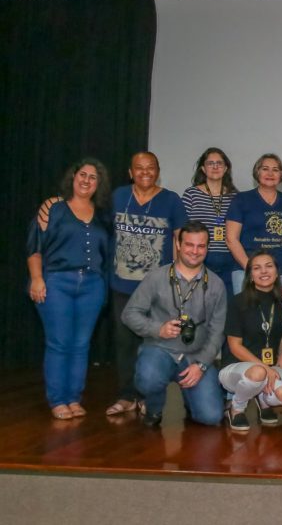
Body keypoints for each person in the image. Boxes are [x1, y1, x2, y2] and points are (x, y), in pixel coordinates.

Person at [27, 159, 111, 420]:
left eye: (93, 177)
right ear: (73, 178)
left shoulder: (102, 215)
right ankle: (57, 400)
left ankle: (74, 398)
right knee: (59, 343)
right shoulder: (53, 207)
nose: (86, 180)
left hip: (92, 286)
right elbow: (34, 247)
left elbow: (106, 255)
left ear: (99, 184)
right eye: (82, 174)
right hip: (56, 283)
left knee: (81, 345)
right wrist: (37, 279)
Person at [122, 221, 228, 428]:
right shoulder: (156, 277)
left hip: (195, 356)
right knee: (149, 378)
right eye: (189, 245)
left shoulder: (216, 284)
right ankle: (153, 407)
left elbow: (218, 331)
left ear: (207, 247)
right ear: (178, 245)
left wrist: (202, 364)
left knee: (211, 417)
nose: (195, 251)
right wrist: (157, 329)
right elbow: (129, 314)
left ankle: (192, 400)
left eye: (201, 246)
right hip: (159, 350)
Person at [107, 151, 187, 417]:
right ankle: (127, 396)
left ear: (158, 171)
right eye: (139, 168)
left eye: (150, 168)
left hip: (157, 289)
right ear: (131, 172)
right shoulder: (117, 196)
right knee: (124, 344)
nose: (145, 172)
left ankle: (149, 398)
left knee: (152, 345)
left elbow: (180, 240)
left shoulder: (171, 200)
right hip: (122, 285)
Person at [219, 251, 282, 431]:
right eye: (257, 268)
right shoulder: (238, 302)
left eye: (269, 266)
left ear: (277, 273)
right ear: (250, 275)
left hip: (270, 366)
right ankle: (237, 408)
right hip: (236, 368)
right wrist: (265, 368)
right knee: (258, 373)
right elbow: (234, 347)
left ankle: (263, 401)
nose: (264, 271)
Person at [226, 153, 282, 294]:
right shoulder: (241, 200)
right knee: (248, 315)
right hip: (247, 271)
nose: (270, 173)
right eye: (265, 168)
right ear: (257, 171)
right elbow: (231, 239)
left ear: (281, 175)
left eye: (275, 169)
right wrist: (251, 269)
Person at [182, 147, 238, 295]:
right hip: (199, 258)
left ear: (226, 168)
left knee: (226, 307)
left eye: (219, 163)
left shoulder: (235, 197)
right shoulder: (191, 194)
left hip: (229, 260)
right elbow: (181, 230)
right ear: (203, 168)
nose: (215, 167)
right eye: (210, 163)